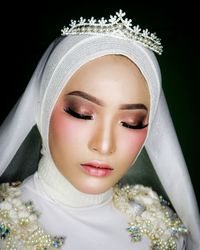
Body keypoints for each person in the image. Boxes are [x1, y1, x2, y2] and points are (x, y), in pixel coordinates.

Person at [0, 9, 199, 250]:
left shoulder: (164, 228)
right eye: (81, 113)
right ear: (43, 107)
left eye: (131, 123)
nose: (104, 145)